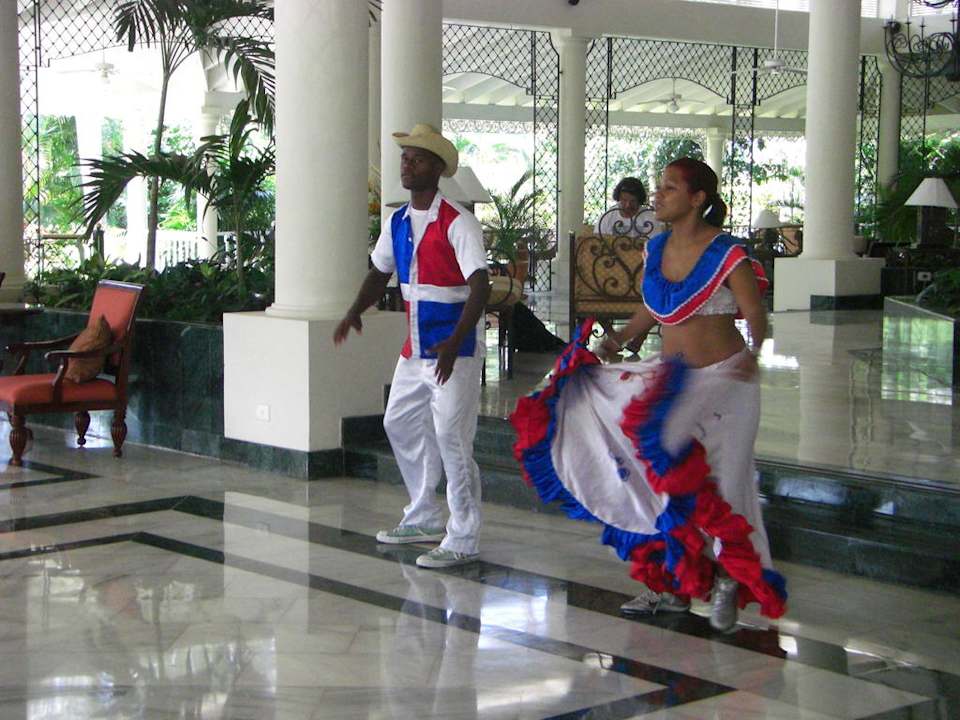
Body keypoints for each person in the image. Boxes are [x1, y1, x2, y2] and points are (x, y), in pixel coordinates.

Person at [511, 158, 786, 632]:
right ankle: (673, 582)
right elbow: (653, 307)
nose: (657, 195)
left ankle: (728, 576)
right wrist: (616, 339)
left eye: (669, 188)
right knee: (657, 474)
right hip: (674, 380)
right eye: (659, 187)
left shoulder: (728, 254)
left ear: (697, 199)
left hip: (726, 382)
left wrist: (756, 353)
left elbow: (755, 313)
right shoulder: (656, 246)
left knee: (723, 483)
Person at [335, 123, 491, 569]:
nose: (406, 165)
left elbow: (480, 286)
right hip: (416, 348)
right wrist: (354, 311)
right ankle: (424, 514)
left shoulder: (458, 222)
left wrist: (455, 342)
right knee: (399, 421)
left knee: (452, 438)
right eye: (405, 158)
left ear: (437, 169)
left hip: (453, 353)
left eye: (417, 159)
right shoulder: (398, 220)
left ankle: (463, 536)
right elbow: (379, 272)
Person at [595, 176, 661, 239]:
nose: (628, 205)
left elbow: (656, 243)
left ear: (639, 200)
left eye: (633, 201)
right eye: (624, 200)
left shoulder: (649, 217)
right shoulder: (607, 217)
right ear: (618, 198)